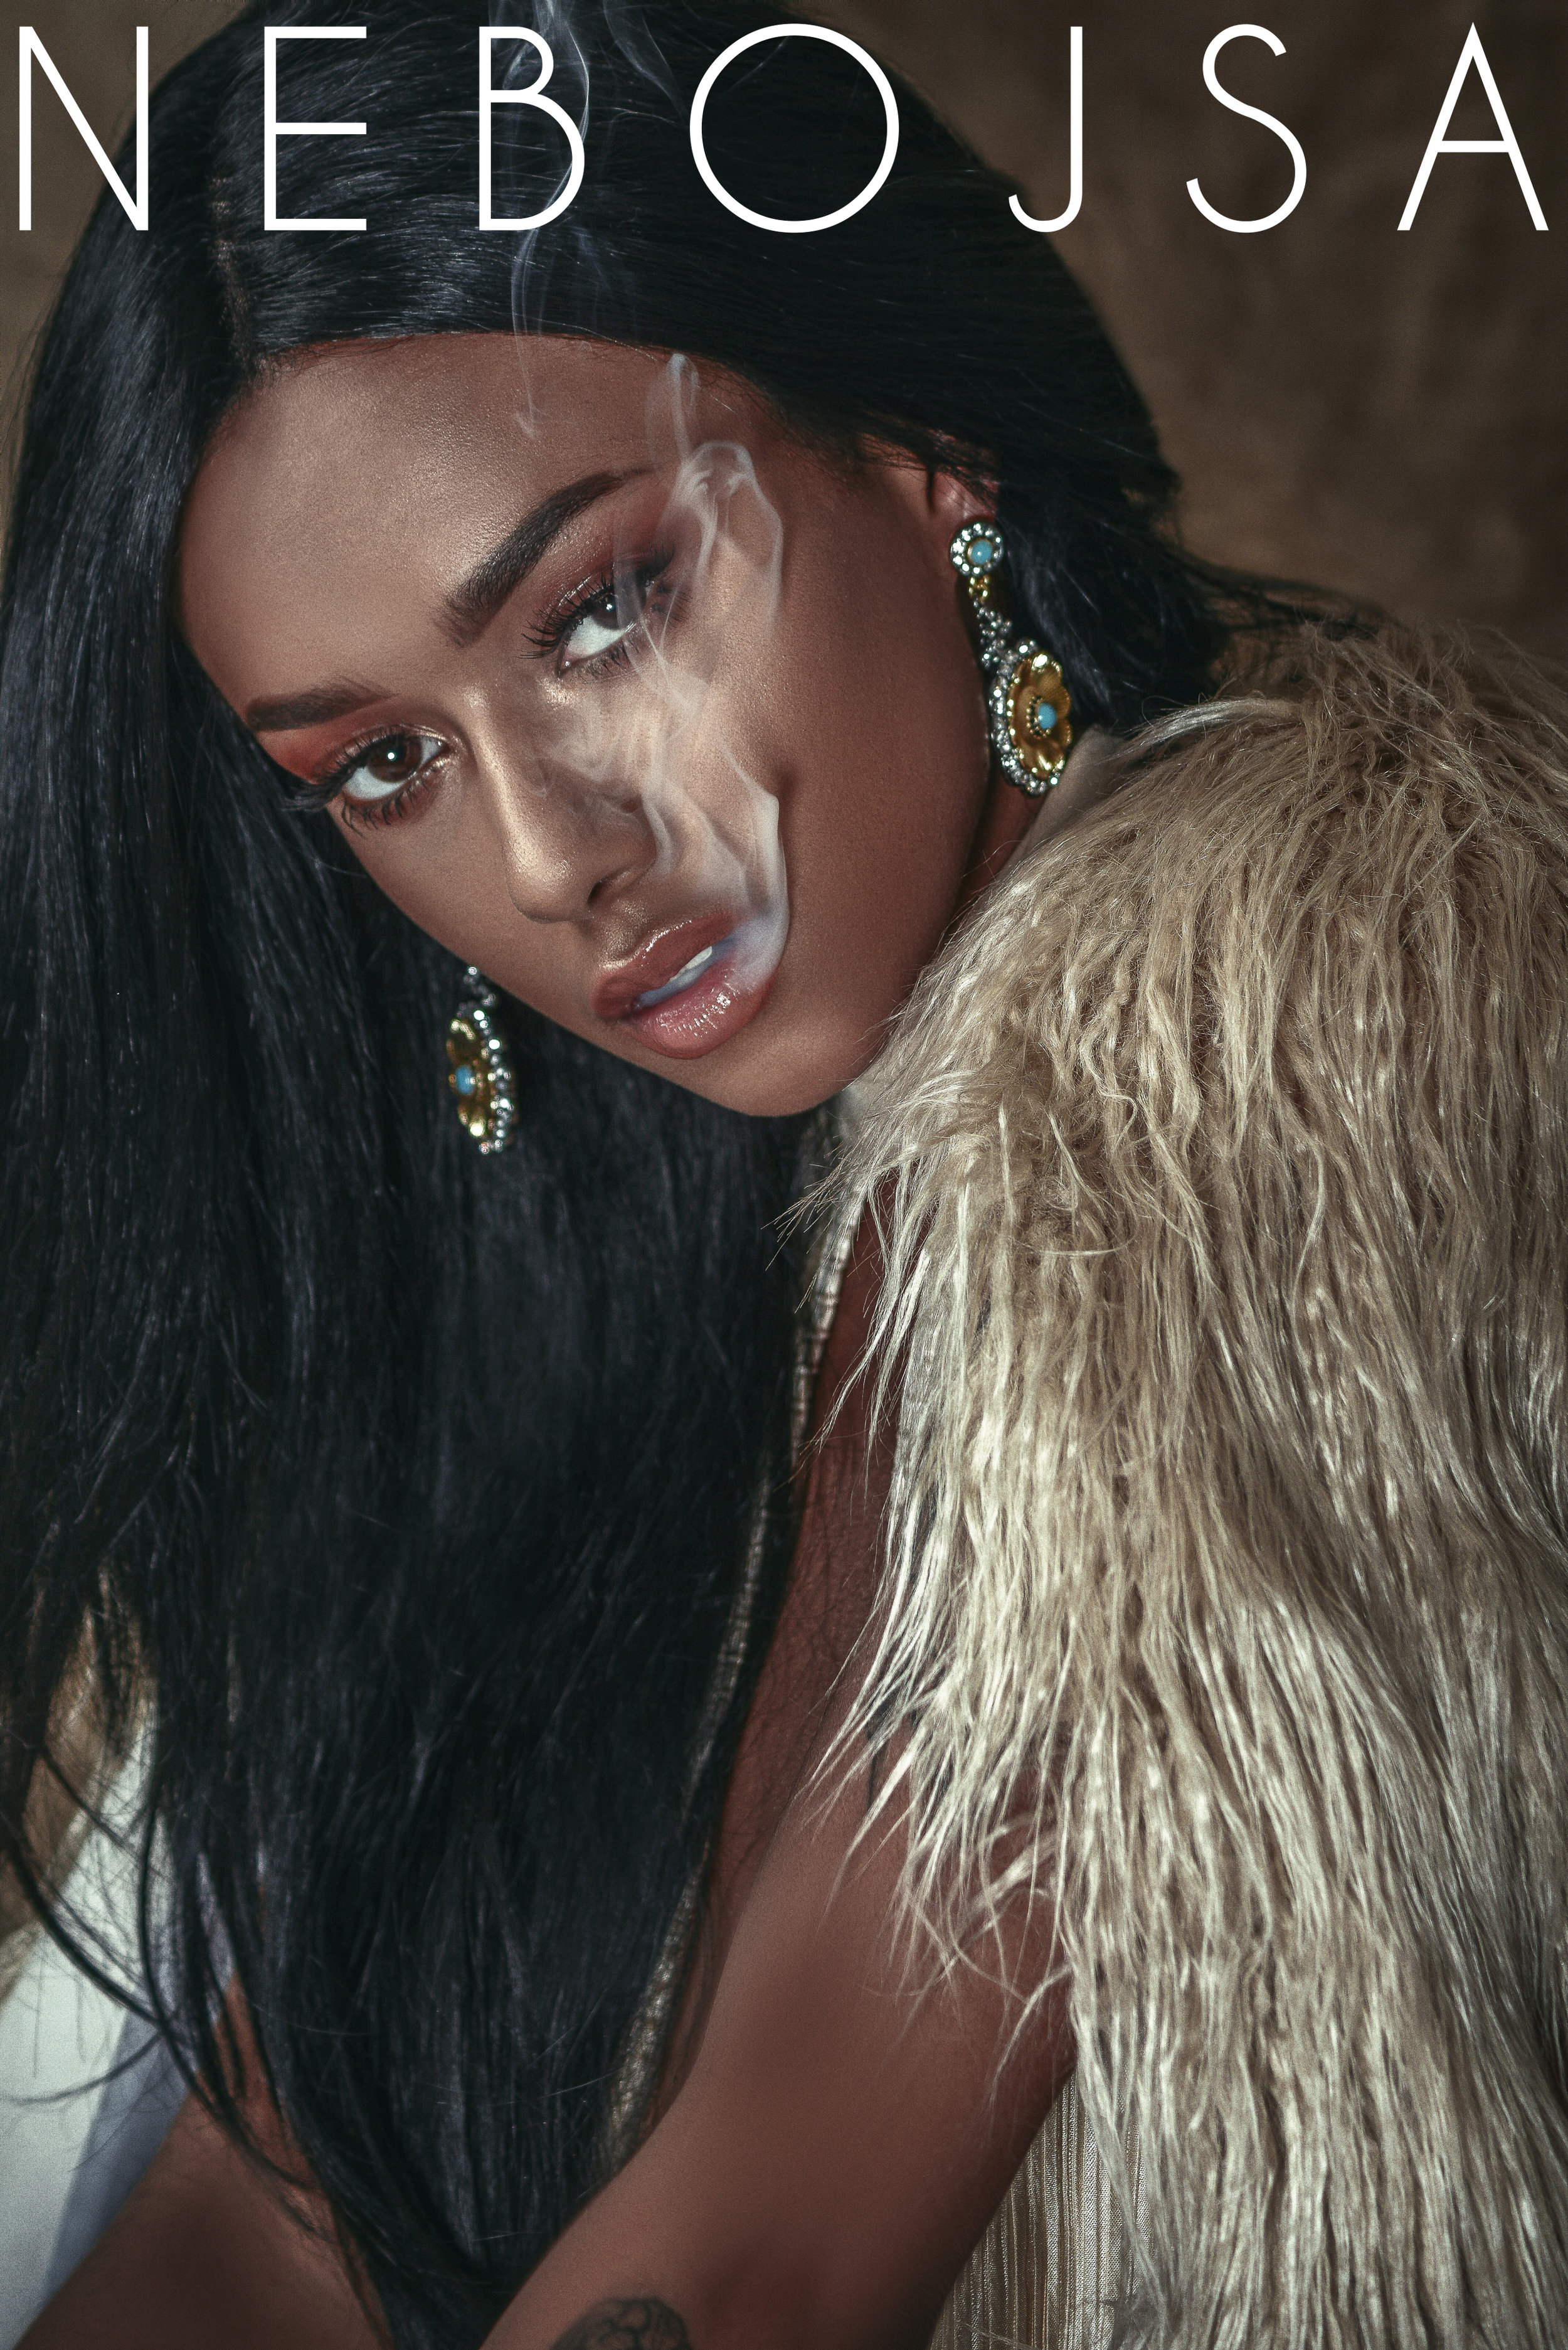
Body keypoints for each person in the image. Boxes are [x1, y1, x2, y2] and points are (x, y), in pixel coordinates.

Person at [3, 4, 1567, 2346]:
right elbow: (266, 2206)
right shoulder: (621, 1218)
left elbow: (766, 2252)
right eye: (385, 763)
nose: (556, 861)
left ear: (922, 442)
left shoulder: (1276, 1042)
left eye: (604, 609)